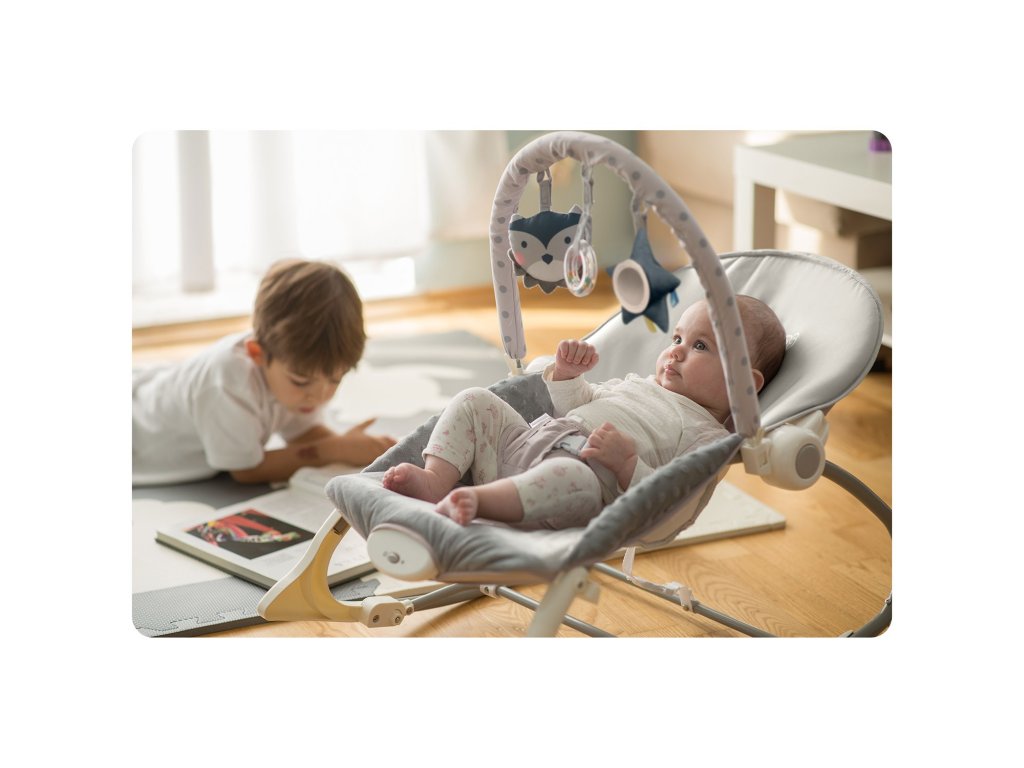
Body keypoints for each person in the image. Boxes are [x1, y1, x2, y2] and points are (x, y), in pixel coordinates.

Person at [382, 295, 785, 529]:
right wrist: (567, 376)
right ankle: (437, 481)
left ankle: (479, 502)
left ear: (744, 384)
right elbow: (578, 404)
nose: (676, 352)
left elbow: (674, 508)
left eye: (700, 346)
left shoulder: (707, 436)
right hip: (525, 444)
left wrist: (627, 465)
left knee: (572, 477)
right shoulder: (640, 385)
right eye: (677, 338)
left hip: (575, 485)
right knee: (475, 400)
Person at [133, 258, 397, 486]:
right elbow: (247, 470)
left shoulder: (296, 374)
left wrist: (356, 447)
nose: (319, 396)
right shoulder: (227, 384)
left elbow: (303, 433)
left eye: (335, 379)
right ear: (257, 354)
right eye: (300, 381)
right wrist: (336, 450)